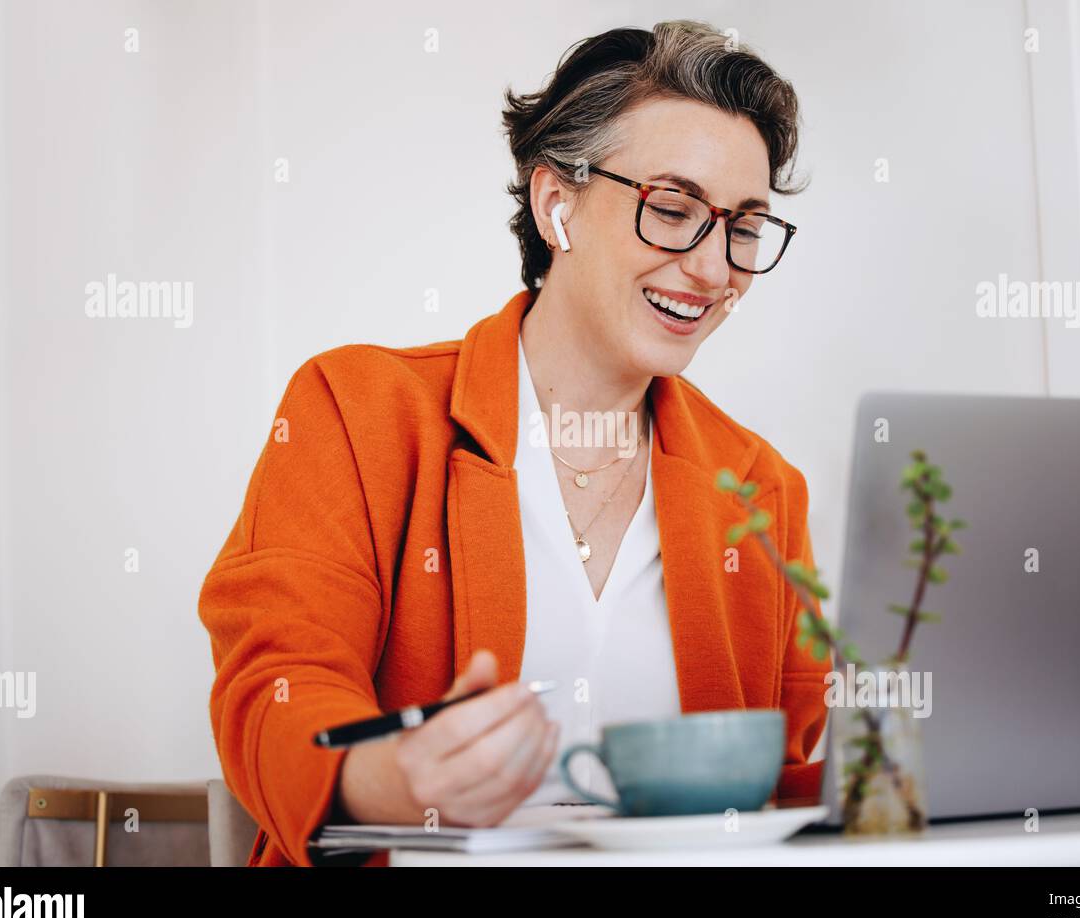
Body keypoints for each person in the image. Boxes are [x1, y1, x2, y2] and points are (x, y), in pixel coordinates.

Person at [199, 19, 829, 867]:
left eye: (743, 227)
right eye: (674, 210)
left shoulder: (763, 489)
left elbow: (797, 781)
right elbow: (274, 682)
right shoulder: (358, 410)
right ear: (556, 206)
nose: (714, 271)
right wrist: (388, 778)